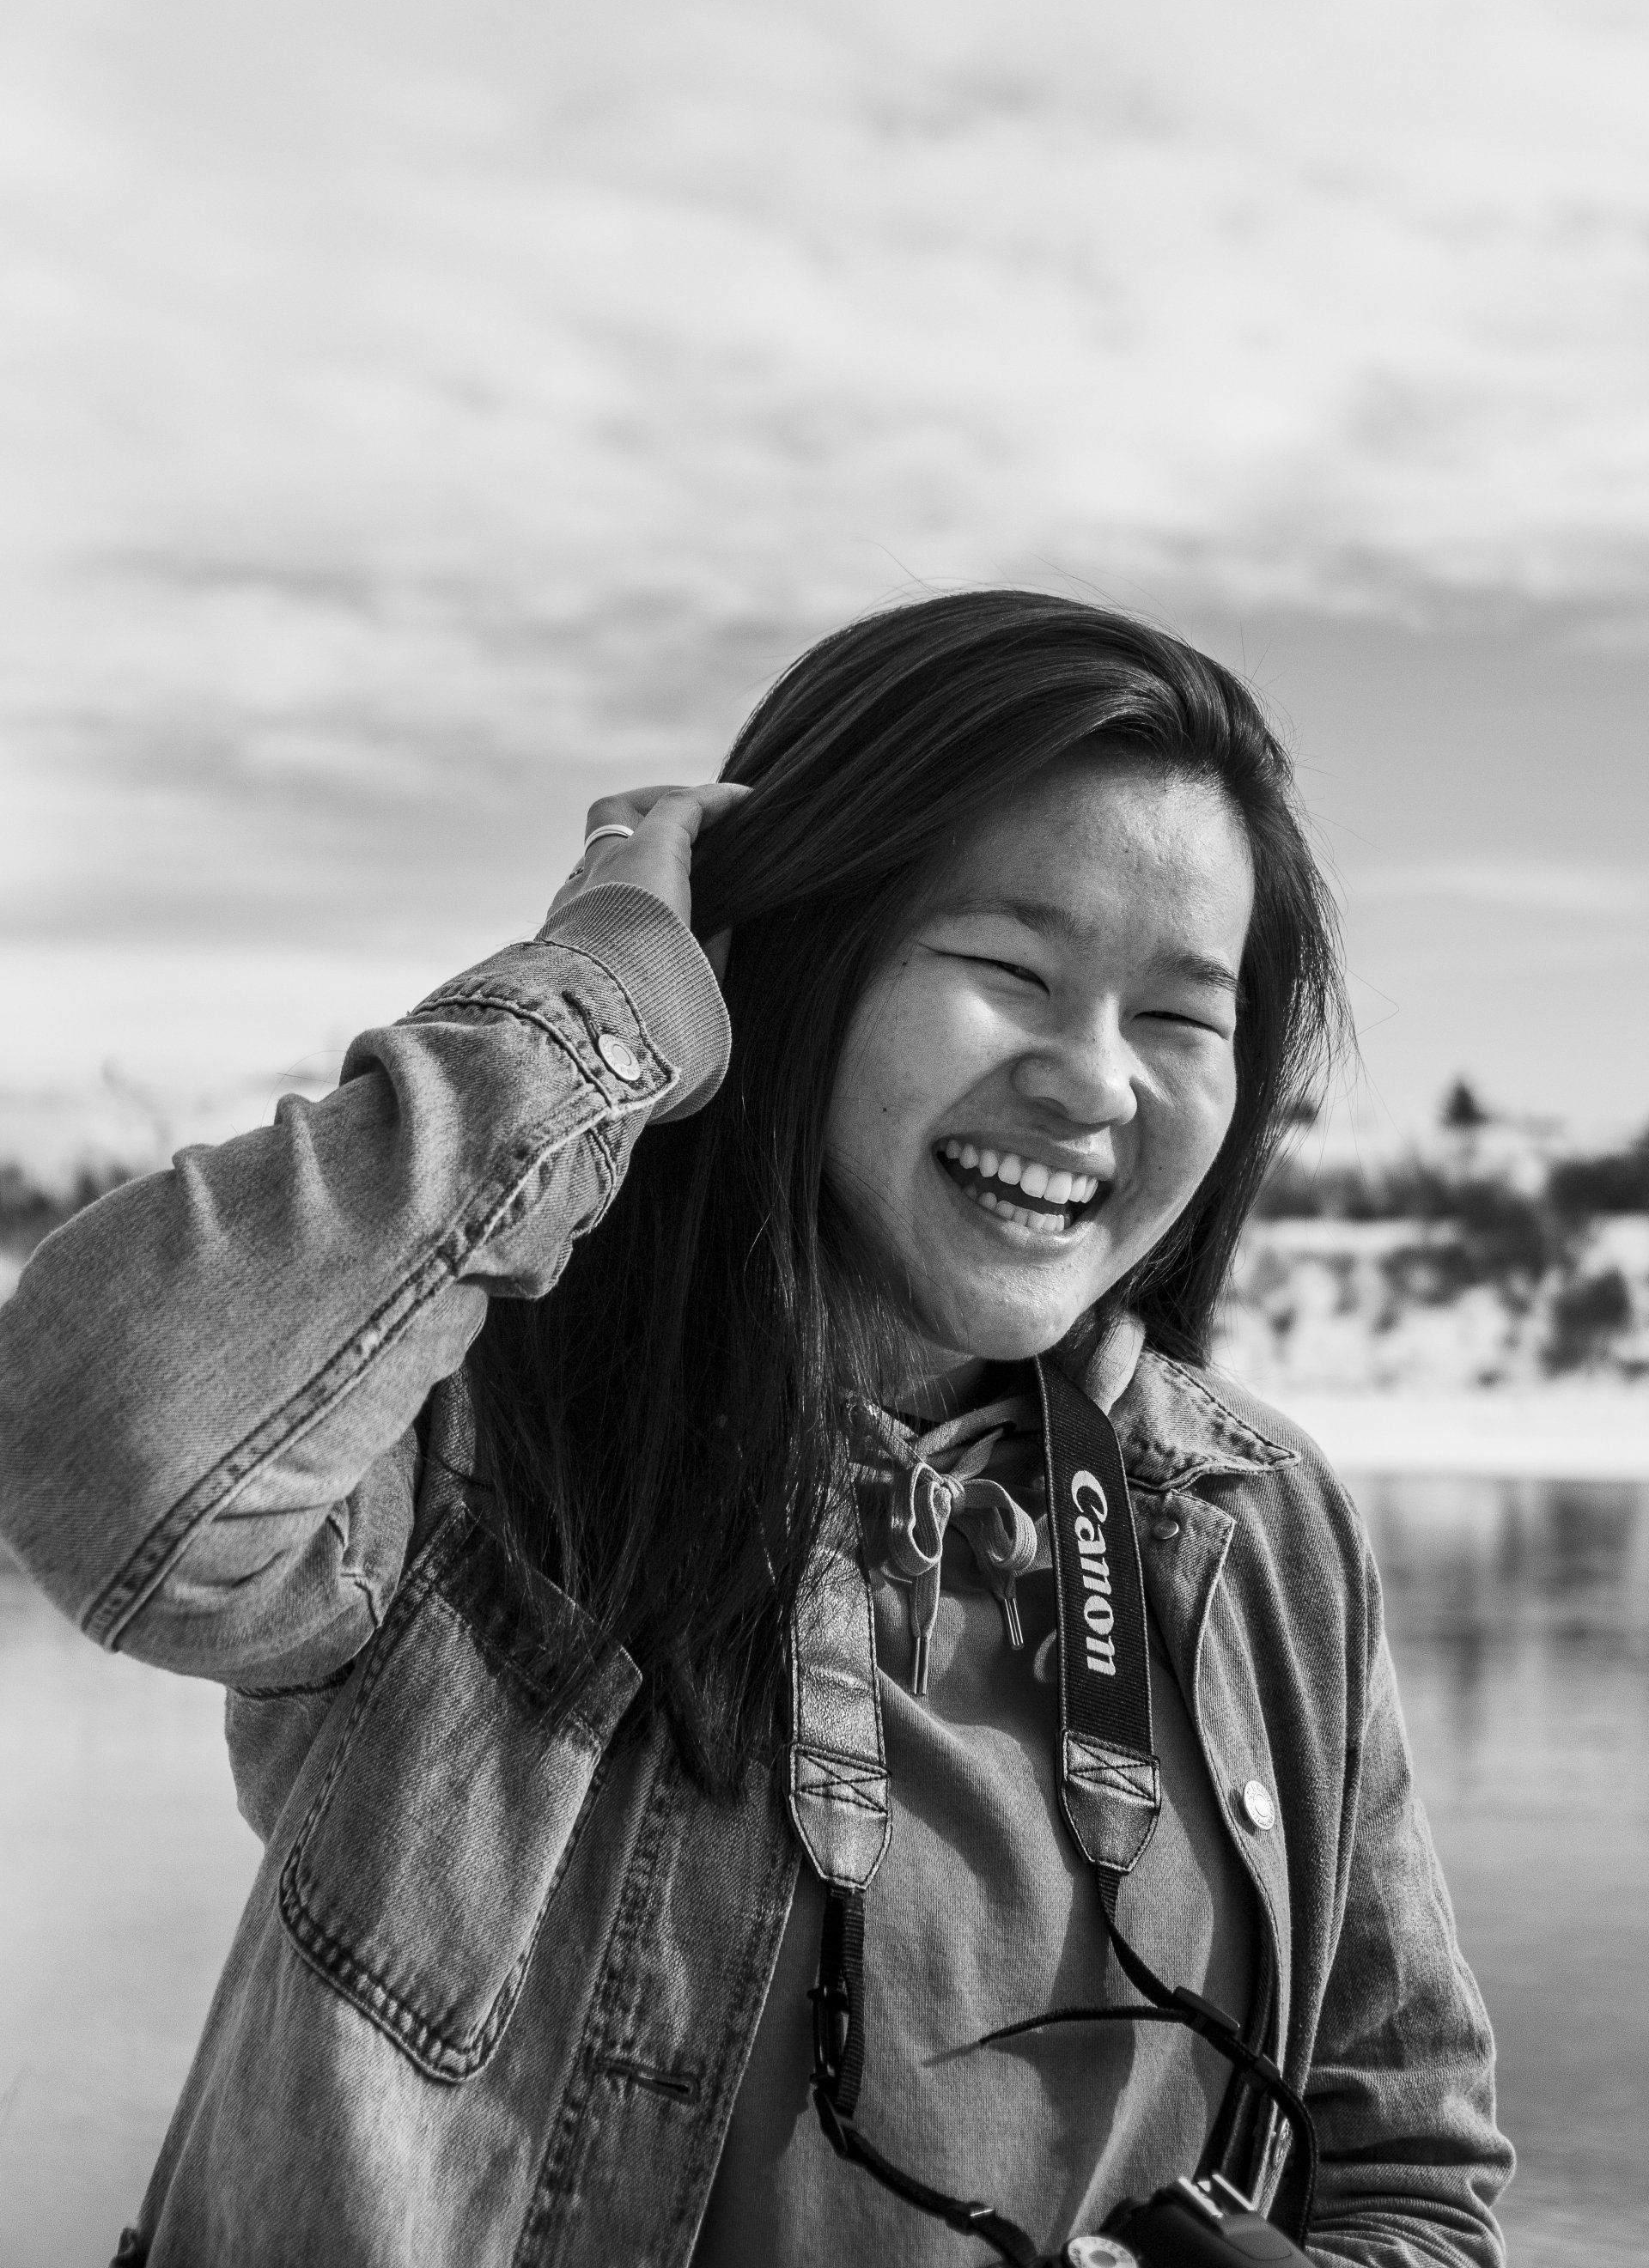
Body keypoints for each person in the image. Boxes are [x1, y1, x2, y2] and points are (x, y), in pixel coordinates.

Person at [0, 590, 1511, 2267]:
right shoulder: (482, 1431)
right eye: (1011, 970)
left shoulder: (1261, 1531)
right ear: (794, 963)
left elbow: (1410, 2173)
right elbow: (95, 1442)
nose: (1095, 1083)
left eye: (1178, 1018)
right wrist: (605, 1005)